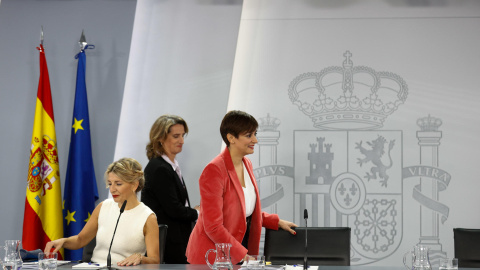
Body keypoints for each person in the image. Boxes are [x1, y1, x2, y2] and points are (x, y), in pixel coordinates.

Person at [186, 110, 298, 265]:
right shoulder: (214, 170)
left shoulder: (247, 164)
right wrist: (242, 256)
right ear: (231, 138)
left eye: (255, 134)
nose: (255, 140)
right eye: (249, 135)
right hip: (212, 257)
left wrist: (275, 221)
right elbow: (213, 227)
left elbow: (241, 209)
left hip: (237, 249)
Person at [44, 158, 160, 266]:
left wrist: (140, 258)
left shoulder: (147, 217)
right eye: (110, 183)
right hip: (94, 267)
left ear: (134, 185)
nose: (112, 189)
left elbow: (155, 260)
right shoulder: (103, 207)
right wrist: (63, 241)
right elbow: (80, 239)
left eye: (118, 184)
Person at [142, 115, 199, 264]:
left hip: (177, 239)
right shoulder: (160, 168)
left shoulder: (168, 165)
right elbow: (174, 210)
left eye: (182, 135)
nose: (182, 141)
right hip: (169, 244)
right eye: (176, 136)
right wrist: (198, 212)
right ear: (160, 138)